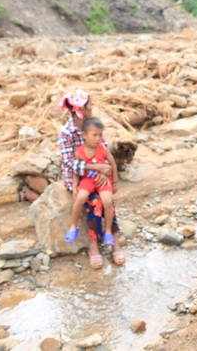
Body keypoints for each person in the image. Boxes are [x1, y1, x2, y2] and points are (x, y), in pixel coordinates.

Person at [57, 89, 125, 268]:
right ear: (80, 110)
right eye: (89, 106)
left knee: (107, 199)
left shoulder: (93, 125)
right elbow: (69, 163)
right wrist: (95, 167)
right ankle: (94, 244)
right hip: (79, 177)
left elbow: (104, 150)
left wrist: (104, 171)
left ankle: (113, 238)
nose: (92, 108)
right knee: (94, 202)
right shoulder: (67, 132)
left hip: (99, 173)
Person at [69, 117, 119, 251]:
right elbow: (76, 170)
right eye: (94, 135)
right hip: (87, 180)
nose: (98, 138)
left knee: (107, 201)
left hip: (103, 179)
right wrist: (74, 186)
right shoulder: (79, 151)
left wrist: (114, 181)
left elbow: (113, 164)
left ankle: (108, 231)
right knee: (80, 198)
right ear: (84, 135)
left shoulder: (103, 148)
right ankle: (73, 226)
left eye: (100, 135)